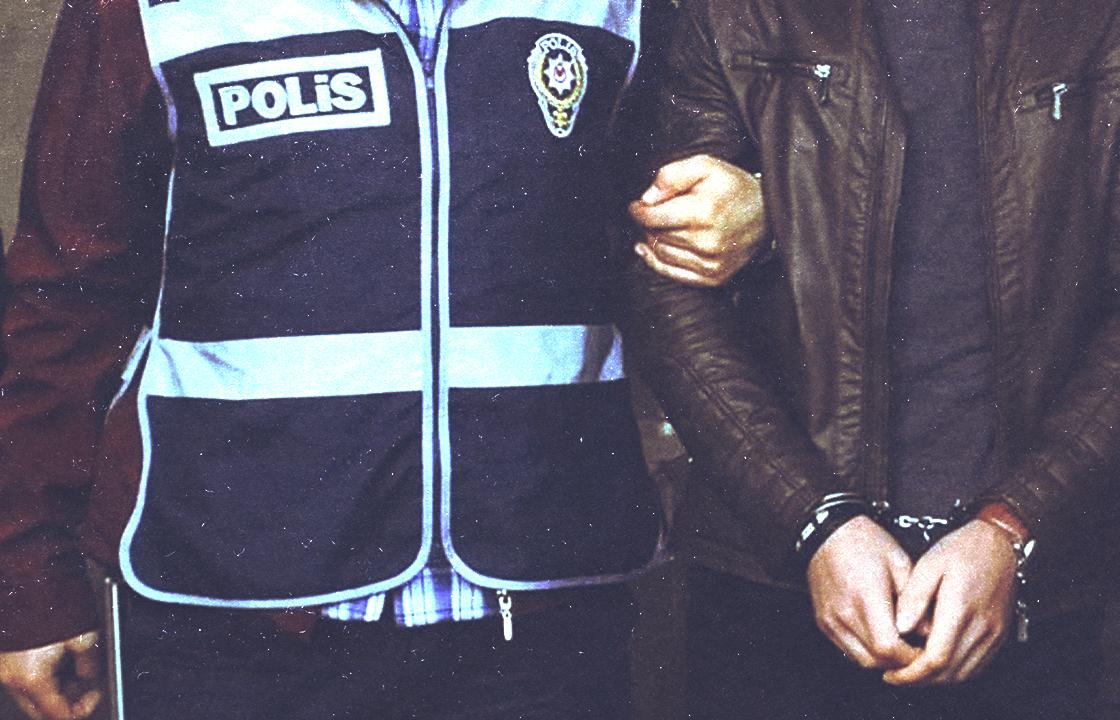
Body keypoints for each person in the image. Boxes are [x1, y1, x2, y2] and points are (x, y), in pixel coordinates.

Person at [0, 2, 757, 719]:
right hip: (231, 613)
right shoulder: (149, 10)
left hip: (543, 606)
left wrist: (759, 207)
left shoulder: (619, 9)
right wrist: (28, 583)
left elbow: (696, 207)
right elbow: (64, 296)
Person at [627, 0, 1120, 718]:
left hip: (1024, 587)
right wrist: (814, 522)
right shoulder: (738, 11)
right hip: (772, 576)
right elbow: (666, 285)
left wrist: (1014, 523)